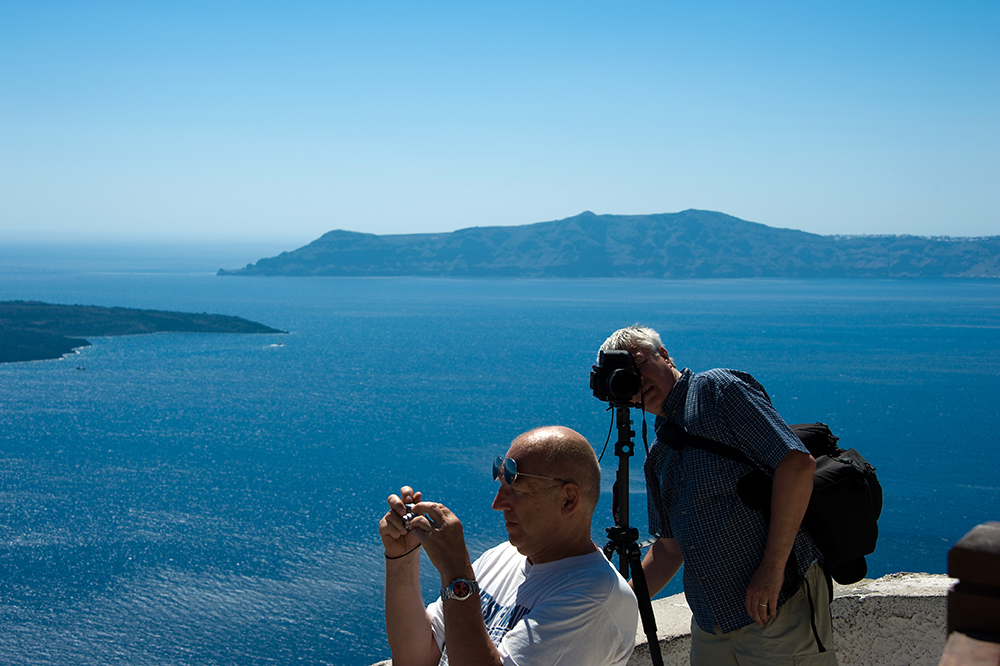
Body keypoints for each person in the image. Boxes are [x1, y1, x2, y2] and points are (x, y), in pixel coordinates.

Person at [598, 325, 837, 666]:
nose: (637, 380)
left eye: (639, 364)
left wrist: (771, 569)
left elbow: (796, 465)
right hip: (711, 622)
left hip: (776, 602)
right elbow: (668, 550)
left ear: (664, 356)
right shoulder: (659, 455)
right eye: (625, 376)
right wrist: (609, 611)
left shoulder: (716, 390)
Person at [378, 425, 639, 666]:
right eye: (501, 485)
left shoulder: (595, 599)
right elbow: (417, 658)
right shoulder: (502, 557)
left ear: (568, 500)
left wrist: (456, 573)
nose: (497, 503)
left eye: (517, 489)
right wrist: (402, 557)